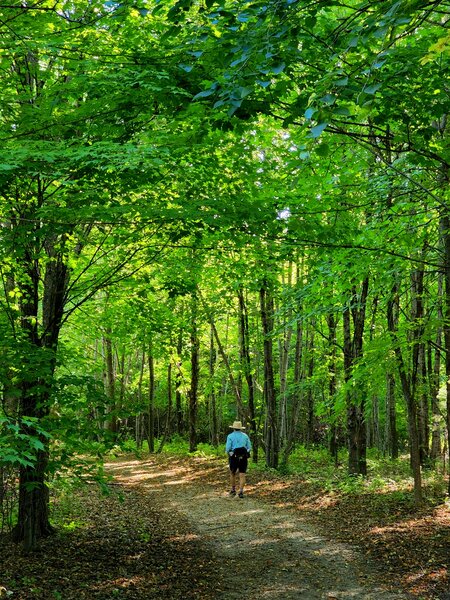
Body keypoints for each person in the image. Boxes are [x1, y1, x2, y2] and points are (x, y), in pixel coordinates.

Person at [225, 420, 252, 498]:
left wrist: (229, 454)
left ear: (233, 428)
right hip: (243, 457)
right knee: (242, 474)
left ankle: (233, 490)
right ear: (240, 428)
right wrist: (244, 453)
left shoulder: (230, 436)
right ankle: (241, 491)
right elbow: (249, 447)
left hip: (234, 456)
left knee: (232, 473)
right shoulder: (245, 436)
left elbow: (228, 448)